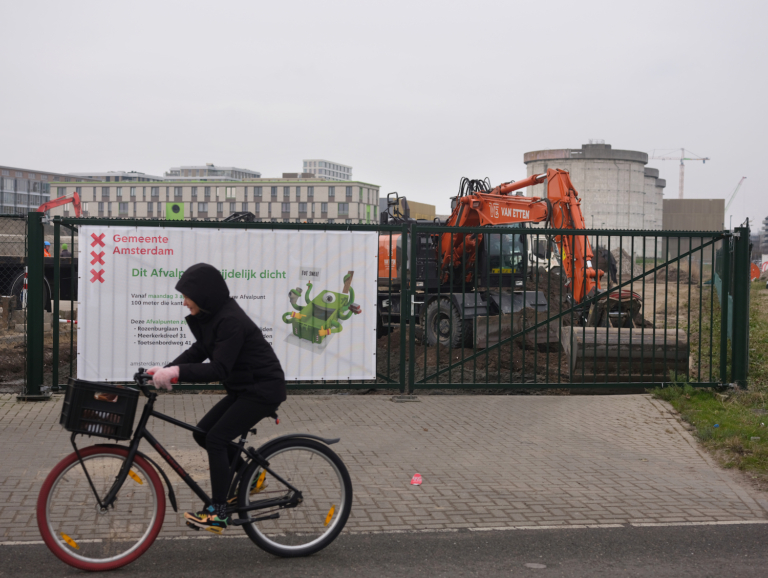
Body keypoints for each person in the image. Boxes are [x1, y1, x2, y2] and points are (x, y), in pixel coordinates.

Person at [147, 263, 286, 533]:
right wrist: (164, 370)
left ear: (205, 294)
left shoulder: (230, 319)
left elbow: (219, 368)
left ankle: (219, 512)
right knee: (203, 433)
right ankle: (250, 476)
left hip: (262, 390)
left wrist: (175, 373)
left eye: (188, 296)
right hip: (244, 388)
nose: (184, 302)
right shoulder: (214, 317)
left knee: (216, 439)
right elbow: (198, 351)